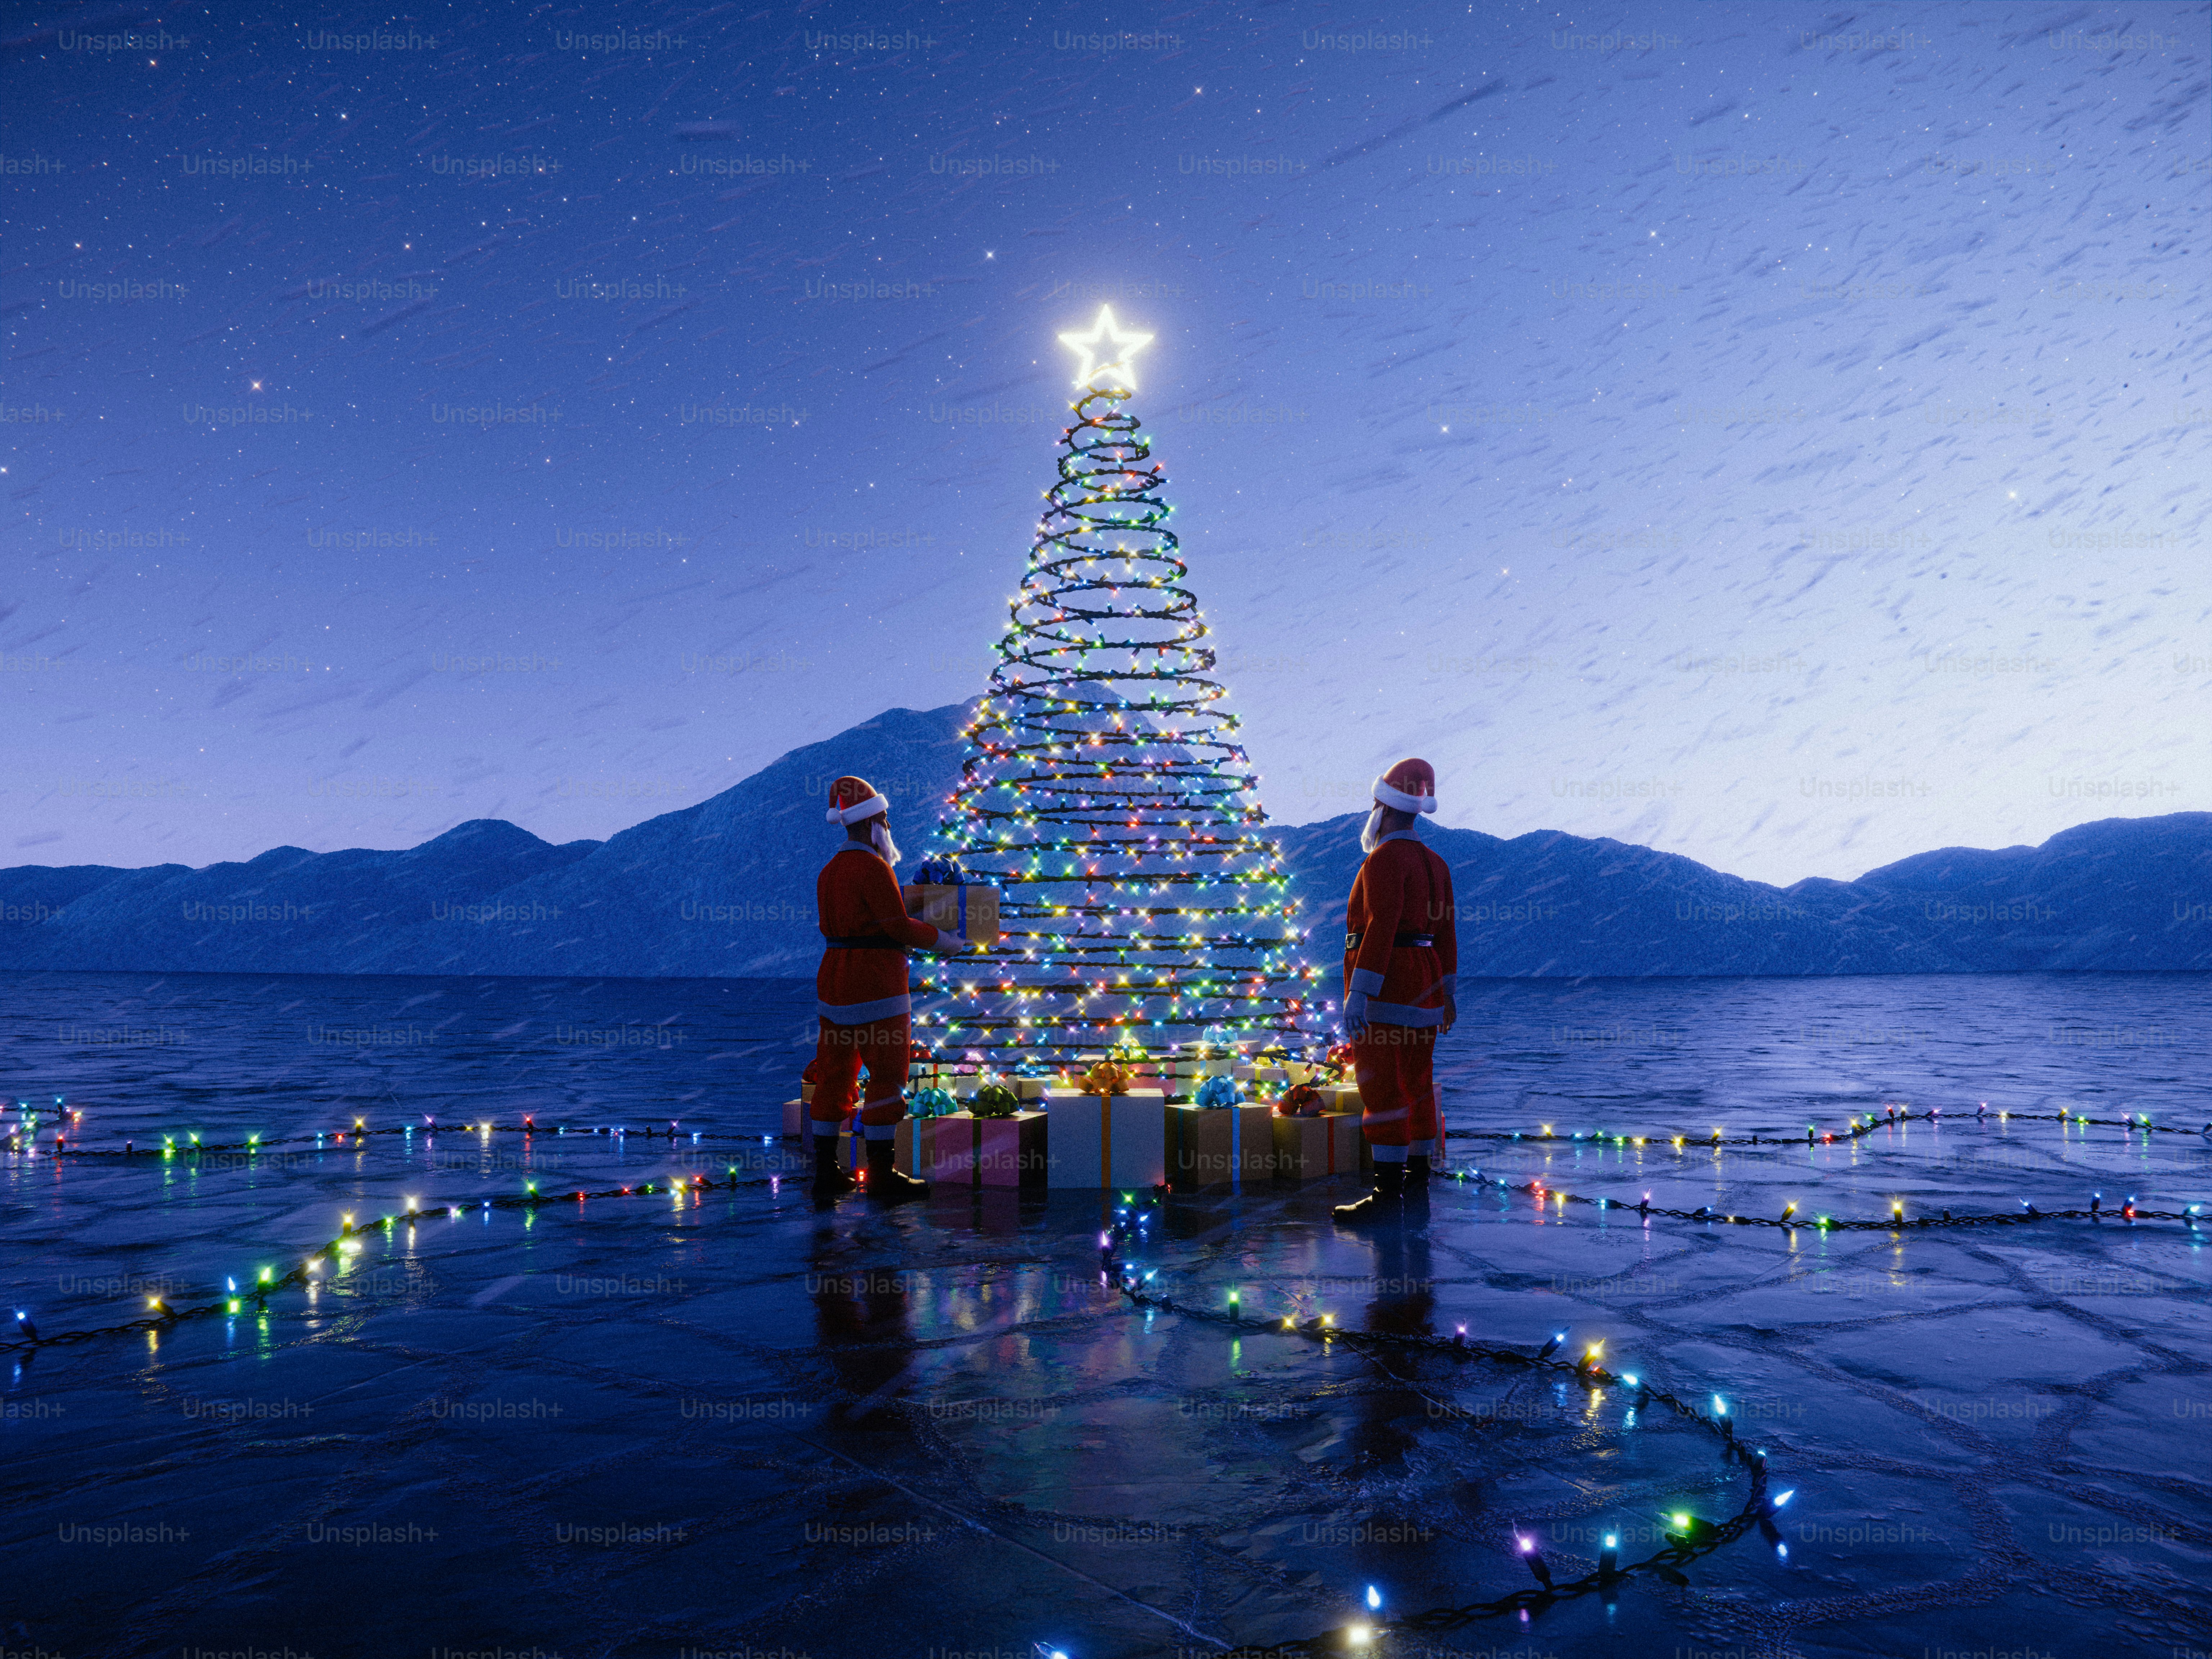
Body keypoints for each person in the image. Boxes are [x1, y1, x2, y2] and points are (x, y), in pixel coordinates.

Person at [811, 774, 968, 1202]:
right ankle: (882, 1176)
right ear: (871, 824)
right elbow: (896, 925)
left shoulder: (829, 872)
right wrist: (946, 942)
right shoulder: (874, 869)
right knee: (887, 1077)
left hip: (834, 983)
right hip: (877, 985)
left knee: (835, 1075)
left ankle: (825, 1172)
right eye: (886, 822)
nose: (889, 830)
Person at [1333, 758, 1457, 1223]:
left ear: (1383, 809)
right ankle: (1418, 1186)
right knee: (1419, 1085)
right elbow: (1447, 934)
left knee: (1382, 1088)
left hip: (1387, 988)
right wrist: (1447, 994)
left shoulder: (1383, 859)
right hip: (1425, 986)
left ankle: (1386, 1199)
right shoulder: (1437, 863)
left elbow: (1381, 929)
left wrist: (1359, 994)